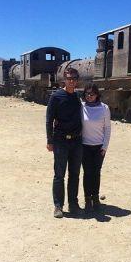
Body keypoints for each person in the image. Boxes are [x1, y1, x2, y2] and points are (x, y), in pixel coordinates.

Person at [46, 67, 83, 218]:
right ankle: (58, 206)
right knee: (59, 174)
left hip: (76, 141)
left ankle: (73, 204)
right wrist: (49, 140)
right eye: (69, 78)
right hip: (60, 141)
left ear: (77, 80)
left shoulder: (78, 97)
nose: (71, 81)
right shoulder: (56, 96)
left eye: (74, 78)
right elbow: (49, 120)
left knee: (74, 174)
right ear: (64, 80)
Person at [81, 83, 111, 213]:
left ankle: (96, 198)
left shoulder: (104, 108)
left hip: (99, 147)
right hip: (84, 146)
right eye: (87, 94)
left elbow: (107, 128)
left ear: (97, 95)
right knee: (87, 173)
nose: (89, 96)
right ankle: (87, 199)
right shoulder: (81, 107)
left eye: (92, 94)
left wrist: (105, 146)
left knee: (96, 173)